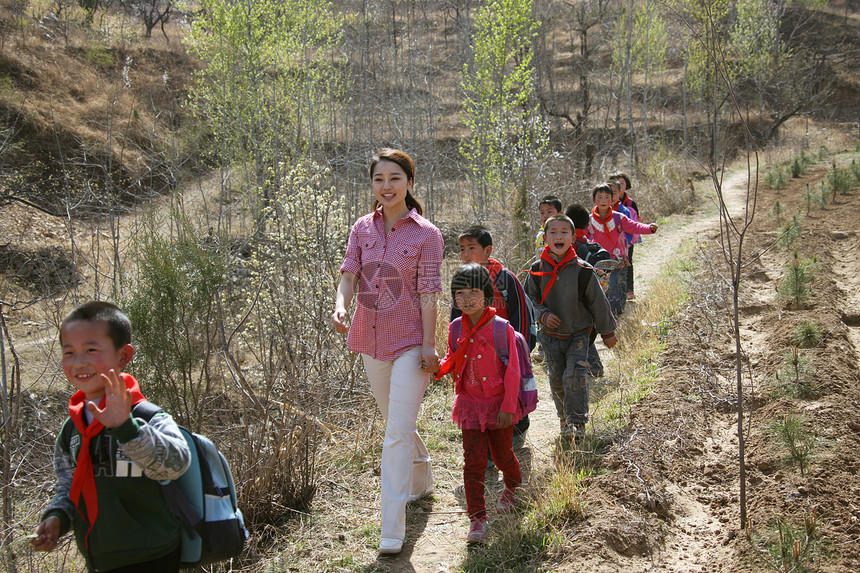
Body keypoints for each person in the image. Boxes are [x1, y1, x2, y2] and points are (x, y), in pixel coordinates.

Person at [331, 148, 443, 555]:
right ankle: (422, 477)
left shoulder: (427, 234)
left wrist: (430, 344)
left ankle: (391, 528)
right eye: (379, 179)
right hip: (369, 339)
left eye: (395, 178)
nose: (387, 186)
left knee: (395, 432)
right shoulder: (362, 228)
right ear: (372, 185)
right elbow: (348, 274)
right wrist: (341, 304)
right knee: (396, 421)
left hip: (412, 341)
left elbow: (430, 292)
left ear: (410, 183)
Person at [31, 301, 192, 573]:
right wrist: (58, 517)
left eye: (91, 350)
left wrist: (126, 428)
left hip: (152, 555)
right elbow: (69, 487)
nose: (79, 362)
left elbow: (176, 464)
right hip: (99, 560)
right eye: (69, 352)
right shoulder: (72, 429)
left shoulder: (146, 416)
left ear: (123, 356)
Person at [433, 263, 522, 544]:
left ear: (487, 294)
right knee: (473, 463)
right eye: (460, 293)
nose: (467, 299)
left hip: (498, 406)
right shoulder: (455, 327)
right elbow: (453, 358)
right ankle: (477, 519)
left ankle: (512, 488)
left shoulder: (501, 329)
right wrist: (436, 367)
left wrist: (509, 407)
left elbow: (514, 371)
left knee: (502, 455)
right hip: (469, 405)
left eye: (473, 291)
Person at [525, 214, 618, 442]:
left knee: (574, 376)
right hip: (551, 337)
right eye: (553, 232)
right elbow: (528, 301)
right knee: (557, 378)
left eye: (564, 232)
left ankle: (578, 423)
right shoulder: (537, 270)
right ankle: (564, 419)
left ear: (573, 236)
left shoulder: (583, 270)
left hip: (579, 333)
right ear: (545, 238)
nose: (559, 236)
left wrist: (608, 332)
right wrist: (543, 315)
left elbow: (598, 302)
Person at [454, 225, 534, 448]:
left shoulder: (504, 278)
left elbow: (521, 313)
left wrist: (522, 347)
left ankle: (518, 429)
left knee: (512, 388)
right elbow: (456, 316)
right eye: (462, 249)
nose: (466, 254)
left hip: (504, 349)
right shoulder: (462, 279)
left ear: (488, 251)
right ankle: (487, 443)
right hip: (475, 352)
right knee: (483, 394)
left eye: (472, 248)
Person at [588, 183, 657, 318]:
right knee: (601, 289)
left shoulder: (618, 217)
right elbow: (581, 236)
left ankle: (616, 314)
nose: (603, 201)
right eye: (600, 197)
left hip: (618, 260)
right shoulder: (589, 220)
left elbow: (634, 227)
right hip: (598, 263)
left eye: (607, 197)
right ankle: (604, 316)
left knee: (616, 286)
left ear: (613, 199)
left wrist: (650, 228)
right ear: (593, 199)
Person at [610, 172, 641, 300]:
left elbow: (636, 221)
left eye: (622, 182)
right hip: (612, 241)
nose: (620, 185)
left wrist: (632, 239)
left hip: (628, 239)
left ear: (626, 184)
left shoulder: (630, 204)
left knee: (628, 262)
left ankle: (629, 290)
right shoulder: (605, 201)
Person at [534, 195, 562, 260]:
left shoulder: (563, 233)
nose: (545, 215)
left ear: (559, 213)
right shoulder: (540, 234)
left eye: (549, 212)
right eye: (542, 213)